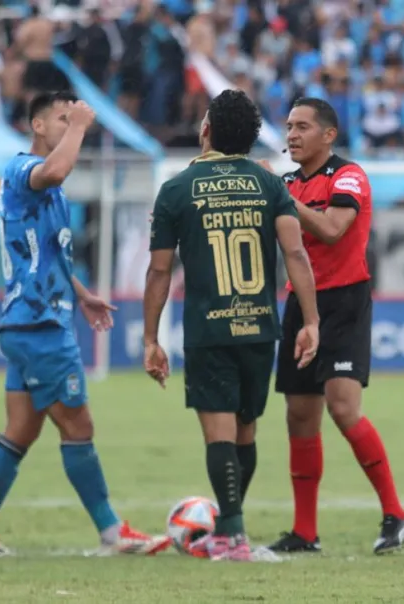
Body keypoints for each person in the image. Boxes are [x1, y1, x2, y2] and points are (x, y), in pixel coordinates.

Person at [0, 91, 170, 557]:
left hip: (33, 320)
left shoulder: (50, 189)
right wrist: (82, 125)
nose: (71, 125)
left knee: (21, 431)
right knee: (79, 426)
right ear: (37, 126)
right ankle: (112, 532)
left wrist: (81, 292)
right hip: (39, 324)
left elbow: (45, 251)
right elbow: (54, 169)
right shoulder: (20, 169)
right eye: (61, 119)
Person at [143, 89, 320, 562]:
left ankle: (233, 537)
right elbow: (296, 253)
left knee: (219, 436)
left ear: (206, 131)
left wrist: (149, 338)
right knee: (246, 433)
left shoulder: (177, 189)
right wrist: (312, 321)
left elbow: (160, 271)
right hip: (260, 327)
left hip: (210, 329)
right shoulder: (270, 185)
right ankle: (229, 529)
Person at [266, 97, 404, 555]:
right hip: (299, 302)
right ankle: (305, 532)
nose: (291, 134)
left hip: (344, 302)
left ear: (328, 135)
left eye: (302, 127)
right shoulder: (287, 181)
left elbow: (332, 230)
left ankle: (396, 514)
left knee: (343, 407)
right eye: (289, 126)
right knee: (299, 415)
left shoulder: (348, 176)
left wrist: (283, 200)